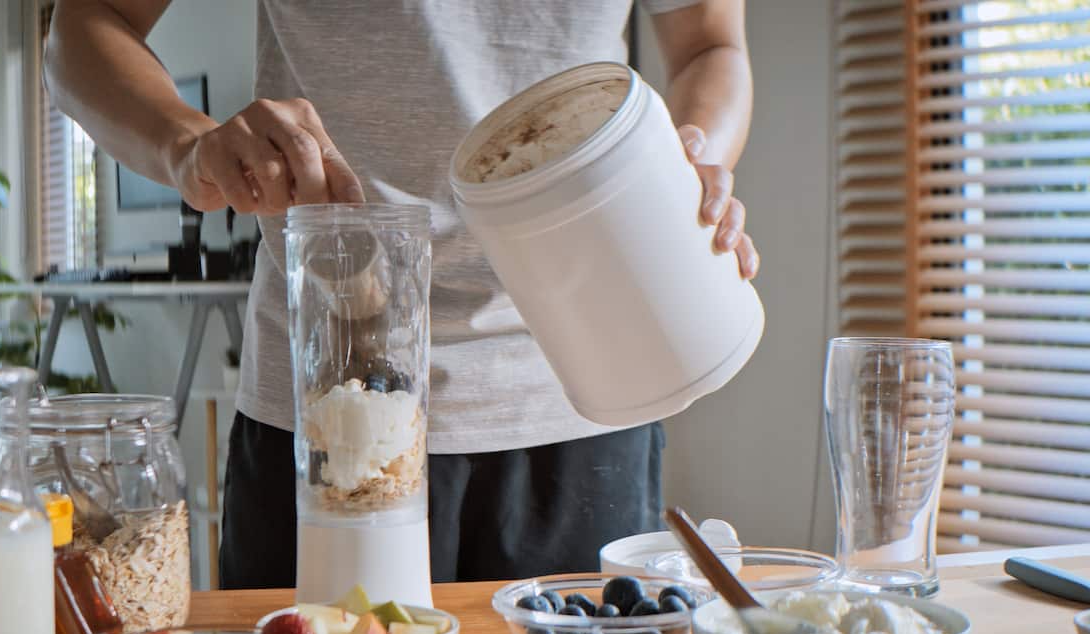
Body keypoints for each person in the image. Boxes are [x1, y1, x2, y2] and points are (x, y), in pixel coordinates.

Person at [45, 0, 758, 587]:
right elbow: (82, 26)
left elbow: (709, 45)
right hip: (324, 404)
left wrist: (688, 158)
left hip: (584, 393)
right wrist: (186, 146)